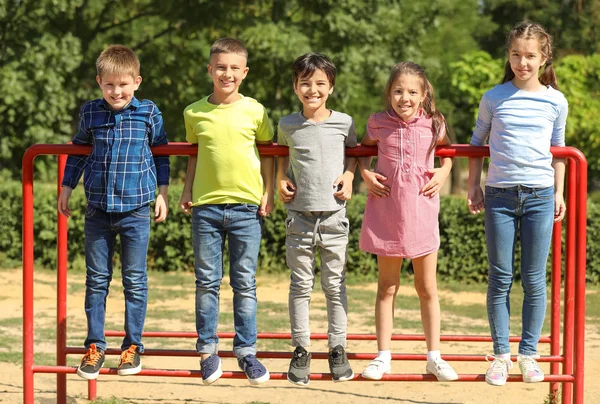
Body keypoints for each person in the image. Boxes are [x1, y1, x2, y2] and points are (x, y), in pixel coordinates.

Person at [57, 44, 170, 380]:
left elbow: (162, 154)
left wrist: (163, 193)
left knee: (134, 281)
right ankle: (94, 347)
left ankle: (132, 347)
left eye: (123, 84)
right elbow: (77, 151)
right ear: (99, 82)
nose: (116, 91)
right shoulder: (91, 113)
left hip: (136, 209)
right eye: (109, 85)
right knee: (96, 281)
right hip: (97, 210)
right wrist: (67, 187)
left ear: (136, 81)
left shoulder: (148, 112)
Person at [467, 21, 567, 386]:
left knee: (535, 278)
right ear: (508, 56)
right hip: (500, 196)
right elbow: (478, 142)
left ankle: (528, 354)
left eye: (529, 56)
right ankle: (501, 355)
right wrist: (473, 184)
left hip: (540, 195)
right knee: (500, 277)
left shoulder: (556, 100)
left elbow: (559, 151)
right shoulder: (494, 96)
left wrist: (559, 193)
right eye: (515, 55)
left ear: (543, 58)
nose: (522, 63)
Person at [179, 38, 274, 386]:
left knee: (244, 283)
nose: (227, 73)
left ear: (245, 72)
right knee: (207, 282)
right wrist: (187, 190)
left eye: (234, 68)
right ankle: (207, 350)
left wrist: (267, 192)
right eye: (221, 67)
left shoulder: (256, 111)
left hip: (247, 208)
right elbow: (193, 153)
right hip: (206, 208)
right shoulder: (194, 112)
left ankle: (247, 351)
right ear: (210, 70)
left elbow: (268, 153)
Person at [358, 61, 458, 382]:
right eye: (398, 91)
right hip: (387, 209)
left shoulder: (435, 123)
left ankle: (434, 356)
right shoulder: (377, 123)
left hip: (421, 210)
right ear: (389, 93)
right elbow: (362, 151)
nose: (405, 97)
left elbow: (449, 152)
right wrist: (365, 172)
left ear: (424, 93)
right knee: (387, 286)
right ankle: (383, 356)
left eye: (412, 91)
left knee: (426, 287)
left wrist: (443, 172)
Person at [277, 53, 357, 386]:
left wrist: (351, 177)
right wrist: (280, 179)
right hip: (299, 217)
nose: (313, 90)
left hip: (335, 216)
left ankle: (338, 348)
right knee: (300, 286)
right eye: (305, 83)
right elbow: (281, 158)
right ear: (296, 87)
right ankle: (302, 350)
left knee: (335, 285)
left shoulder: (345, 122)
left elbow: (354, 156)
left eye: (320, 83)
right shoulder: (287, 124)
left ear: (331, 87)